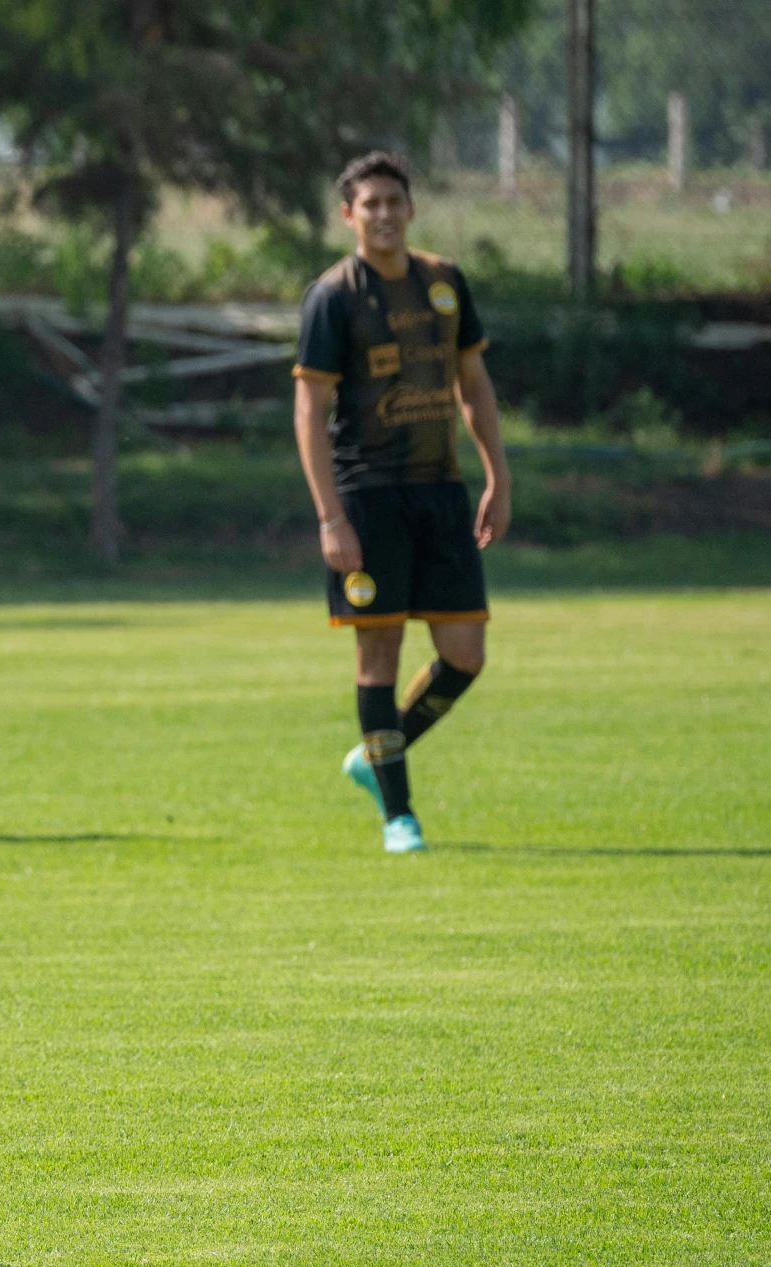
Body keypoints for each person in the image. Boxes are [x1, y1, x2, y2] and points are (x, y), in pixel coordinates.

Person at [292, 151, 511, 854]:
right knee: (377, 655)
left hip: (440, 490)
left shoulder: (444, 283)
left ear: (410, 208)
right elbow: (307, 412)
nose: (383, 214)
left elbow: (471, 384)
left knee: (465, 654)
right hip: (367, 497)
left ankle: (376, 754)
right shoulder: (333, 296)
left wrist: (496, 477)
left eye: (394, 200)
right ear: (347, 215)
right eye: (369, 203)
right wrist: (330, 517)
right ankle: (398, 816)